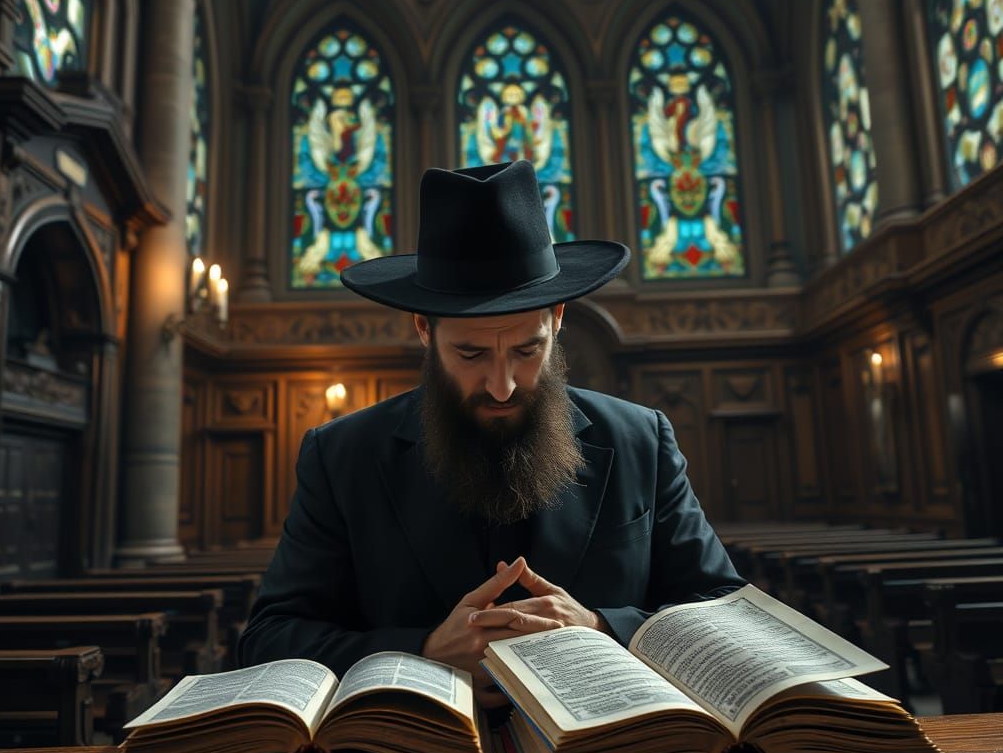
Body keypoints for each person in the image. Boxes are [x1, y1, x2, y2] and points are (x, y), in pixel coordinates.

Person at [238, 159, 745, 707]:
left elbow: (725, 609)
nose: (502, 386)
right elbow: (269, 639)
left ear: (557, 318)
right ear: (424, 329)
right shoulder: (341, 456)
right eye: (471, 354)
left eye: (527, 351)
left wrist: (600, 628)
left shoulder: (639, 440)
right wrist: (422, 651)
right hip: (415, 750)